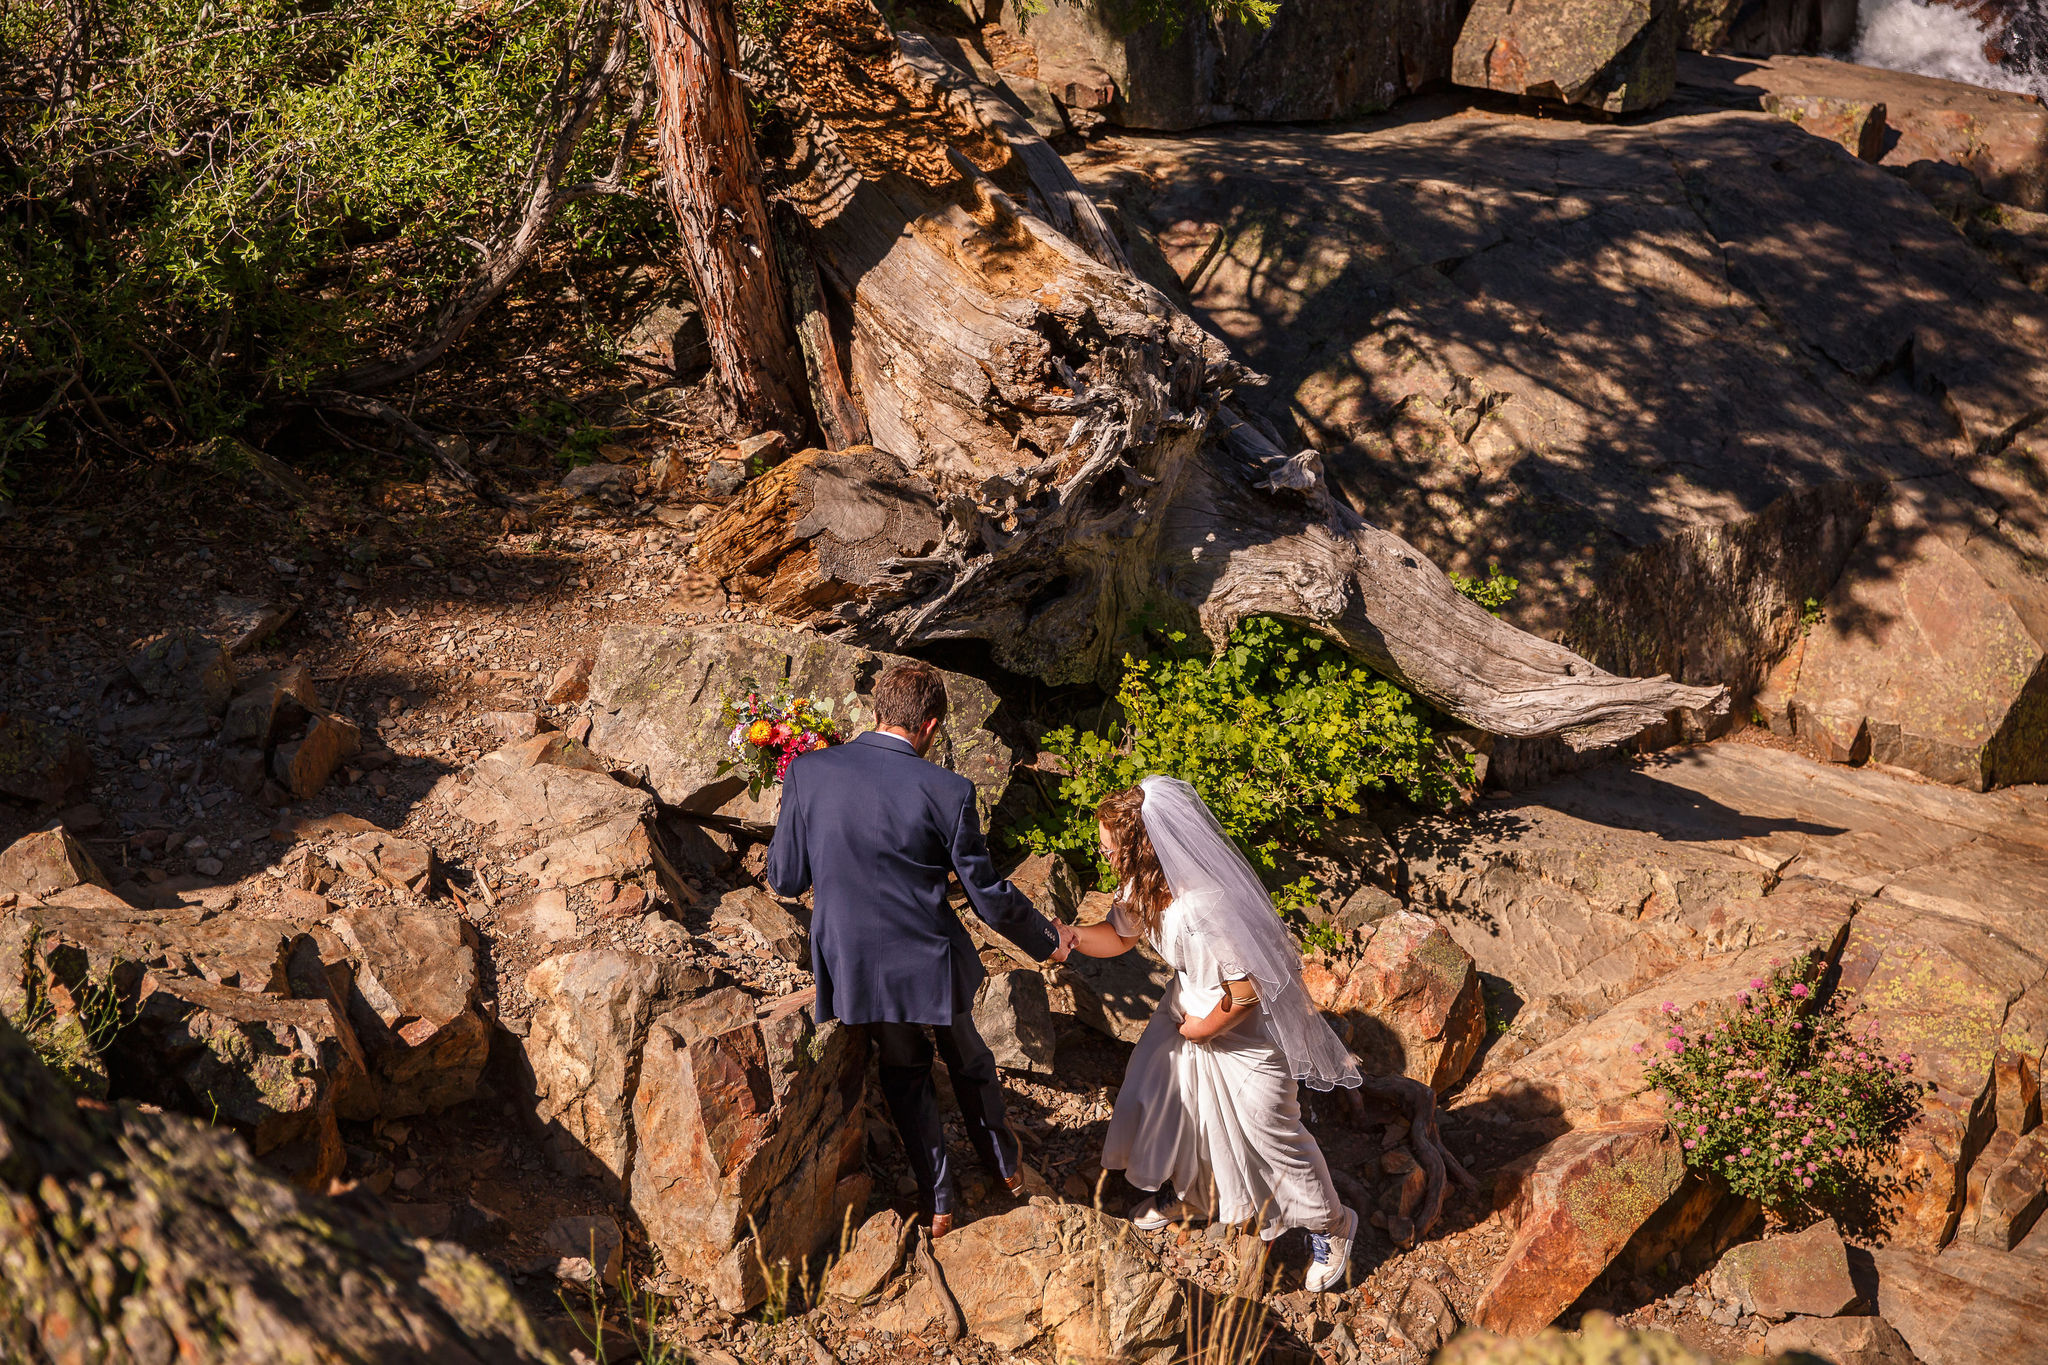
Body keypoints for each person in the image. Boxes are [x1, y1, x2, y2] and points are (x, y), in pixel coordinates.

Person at [765, 661, 1076, 1237]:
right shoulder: (949, 790)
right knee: (969, 1057)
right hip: (927, 953)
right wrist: (1047, 941)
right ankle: (1005, 1167)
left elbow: (784, 879)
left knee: (904, 1071)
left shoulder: (808, 771)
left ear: (877, 711)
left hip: (853, 959)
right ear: (930, 725)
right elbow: (986, 895)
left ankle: (939, 1201)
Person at [1066, 777, 1361, 1291]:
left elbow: (1246, 990)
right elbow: (1118, 936)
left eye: (1110, 846)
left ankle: (1332, 1224)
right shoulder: (1139, 885)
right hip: (1187, 1010)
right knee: (1167, 1101)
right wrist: (1068, 937)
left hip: (1240, 1031)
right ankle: (1194, 1193)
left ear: (1141, 847)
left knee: (1272, 1133)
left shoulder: (1207, 904)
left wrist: (1204, 1028)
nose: (1104, 853)